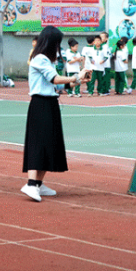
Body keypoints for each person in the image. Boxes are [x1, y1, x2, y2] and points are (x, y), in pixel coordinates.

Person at [20, 27, 90, 202]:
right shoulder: (40, 59)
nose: (58, 47)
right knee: (38, 143)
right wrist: (75, 77)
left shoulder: (47, 60)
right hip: (40, 104)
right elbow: (55, 79)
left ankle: (38, 183)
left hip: (50, 103)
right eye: (57, 43)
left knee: (49, 143)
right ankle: (30, 183)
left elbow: (58, 86)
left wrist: (79, 80)